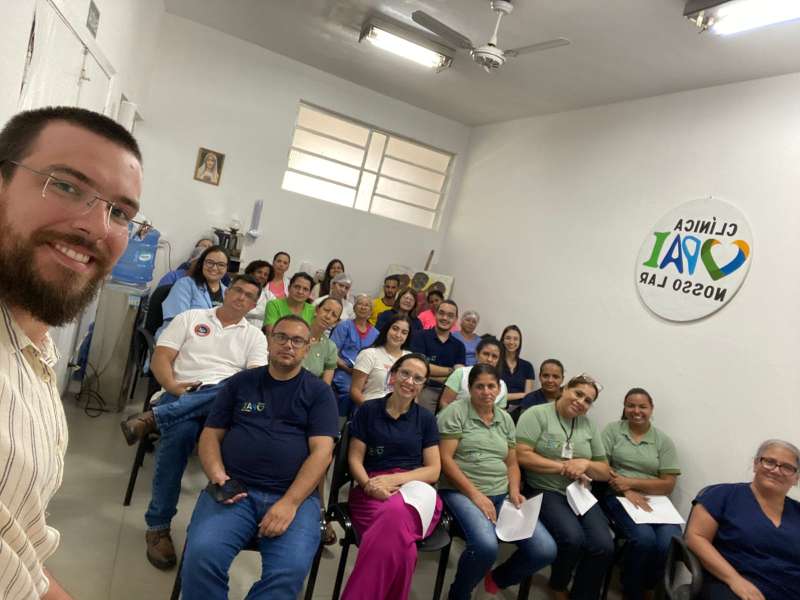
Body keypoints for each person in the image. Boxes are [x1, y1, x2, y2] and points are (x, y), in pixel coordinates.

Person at [0, 106, 146, 599]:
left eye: (120, 213)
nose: (97, 227)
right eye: (65, 185)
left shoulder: (35, 350)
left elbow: (22, 558)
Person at [180, 315, 339, 598]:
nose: (288, 345)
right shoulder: (240, 383)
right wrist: (218, 476)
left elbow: (322, 452)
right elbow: (210, 435)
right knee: (202, 554)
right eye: (281, 337)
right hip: (236, 489)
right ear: (269, 341)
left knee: (288, 571)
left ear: (307, 348)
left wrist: (290, 503)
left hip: (294, 496)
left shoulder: (319, 393)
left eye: (297, 340)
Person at [120, 275, 268, 569]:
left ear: (253, 305)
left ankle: (153, 418)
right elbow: (162, 358)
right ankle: (158, 527)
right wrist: (173, 387)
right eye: (237, 290)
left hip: (223, 405)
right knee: (180, 434)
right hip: (180, 392)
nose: (241, 297)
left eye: (249, 295)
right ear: (227, 291)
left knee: (231, 387)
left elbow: (252, 383)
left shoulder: (255, 336)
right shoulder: (191, 317)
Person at [437, 364, 557, 599]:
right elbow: (445, 460)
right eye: (479, 386)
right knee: (486, 547)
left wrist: (514, 490)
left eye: (491, 386)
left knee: (545, 549)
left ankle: (497, 578)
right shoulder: (455, 412)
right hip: (460, 492)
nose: (486, 392)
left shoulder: (505, 419)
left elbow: (512, 463)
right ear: (470, 388)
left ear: (499, 388)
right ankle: (459, 594)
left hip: (501, 494)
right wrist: (476, 495)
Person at [341, 354, 442, 600]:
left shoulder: (426, 419)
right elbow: (355, 459)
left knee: (395, 512)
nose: (409, 381)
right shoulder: (369, 410)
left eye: (418, 378)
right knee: (405, 552)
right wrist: (368, 485)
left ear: (423, 386)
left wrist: (394, 480)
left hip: (416, 490)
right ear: (393, 375)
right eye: (405, 373)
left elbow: (433, 470)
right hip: (371, 487)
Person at [515, 374, 613, 600]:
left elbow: (604, 471)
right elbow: (521, 455)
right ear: (565, 389)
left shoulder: (588, 425)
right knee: (573, 538)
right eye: (578, 393)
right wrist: (564, 467)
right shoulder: (537, 414)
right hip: (543, 488)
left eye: (588, 401)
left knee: (603, 545)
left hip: (578, 493)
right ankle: (558, 585)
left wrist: (586, 464)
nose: (581, 402)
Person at [686, 439, 800, 600]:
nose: (776, 470)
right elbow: (695, 537)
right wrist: (735, 580)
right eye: (769, 462)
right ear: (755, 464)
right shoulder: (722, 495)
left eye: (787, 467)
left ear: (796, 478)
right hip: (733, 587)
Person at [600, 388, 682, 600]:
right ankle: (631, 590)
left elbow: (668, 484)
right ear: (624, 408)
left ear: (651, 409)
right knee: (644, 540)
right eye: (631, 406)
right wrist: (626, 489)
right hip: (618, 496)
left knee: (669, 542)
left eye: (642, 406)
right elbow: (602, 467)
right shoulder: (612, 431)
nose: (636, 411)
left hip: (656, 501)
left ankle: (649, 586)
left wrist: (631, 482)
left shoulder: (663, 441)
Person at [157, 245, 229, 337]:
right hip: (178, 338)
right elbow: (178, 322)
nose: (214, 268)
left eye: (221, 265)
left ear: (227, 268)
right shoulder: (184, 284)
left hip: (212, 341)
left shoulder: (228, 293)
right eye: (210, 262)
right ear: (202, 264)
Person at [410, 300, 466, 414]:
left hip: (450, 392)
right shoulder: (420, 336)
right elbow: (419, 367)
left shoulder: (459, 346)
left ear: (455, 320)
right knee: (423, 417)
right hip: (424, 388)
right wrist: (451, 371)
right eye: (441, 313)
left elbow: (459, 374)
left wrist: (431, 374)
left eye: (450, 315)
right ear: (435, 314)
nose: (445, 318)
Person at [330, 294, 379, 416]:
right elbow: (332, 352)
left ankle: (355, 423)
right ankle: (340, 421)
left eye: (367, 305)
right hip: (343, 371)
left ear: (371, 311)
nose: (363, 307)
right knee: (350, 392)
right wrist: (347, 368)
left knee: (370, 396)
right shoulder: (344, 326)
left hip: (364, 375)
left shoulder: (376, 334)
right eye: (360, 304)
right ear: (354, 307)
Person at [350, 314, 412, 407]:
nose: (398, 335)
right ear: (387, 329)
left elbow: (413, 395)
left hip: (399, 412)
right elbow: (355, 391)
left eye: (404, 332)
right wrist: (372, 411)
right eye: (395, 329)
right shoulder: (369, 354)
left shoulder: (410, 358)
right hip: (370, 408)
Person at [439, 336, 509, 410]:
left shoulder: (502, 386)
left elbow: (501, 414)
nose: (489, 359)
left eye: (494, 356)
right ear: (477, 354)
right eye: (485, 354)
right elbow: (445, 403)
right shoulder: (461, 373)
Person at [301, 297, 343, 385]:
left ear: (336, 322)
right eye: (326, 310)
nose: (328, 316)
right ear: (317, 310)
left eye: (334, 315)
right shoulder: (295, 333)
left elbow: (326, 386)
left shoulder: (331, 348)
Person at [500, 325, 535, 413]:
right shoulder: (495, 364)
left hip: (520, 409)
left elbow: (528, 396)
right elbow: (496, 396)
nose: (511, 342)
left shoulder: (527, 366)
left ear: (520, 342)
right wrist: (522, 394)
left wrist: (507, 396)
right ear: (502, 340)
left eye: (515, 339)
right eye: (508, 338)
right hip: (498, 408)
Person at [243, 259, 276, 328]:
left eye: (266, 274)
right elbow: (237, 310)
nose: (262, 276)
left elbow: (272, 314)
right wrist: (263, 312)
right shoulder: (241, 290)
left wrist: (247, 311)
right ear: (251, 273)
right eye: (259, 272)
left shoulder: (270, 296)